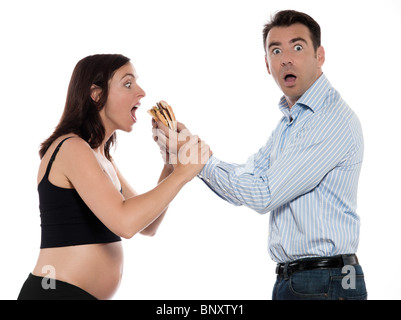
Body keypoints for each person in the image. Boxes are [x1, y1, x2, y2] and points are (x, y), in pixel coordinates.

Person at [154, 10, 367, 300]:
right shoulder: (291, 123)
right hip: (303, 280)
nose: (286, 58)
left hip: (325, 281)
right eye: (275, 50)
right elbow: (248, 180)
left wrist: (197, 158)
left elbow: (263, 194)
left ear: (320, 56)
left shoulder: (328, 120)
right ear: (267, 64)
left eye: (298, 47)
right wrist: (191, 149)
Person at [17, 54, 211, 300]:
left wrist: (171, 166)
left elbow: (147, 225)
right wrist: (183, 173)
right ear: (96, 94)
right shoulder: (71, 148)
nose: (141, 92)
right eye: (128, 84)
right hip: (53, 293)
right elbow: (125, 223)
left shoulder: (103, 158)